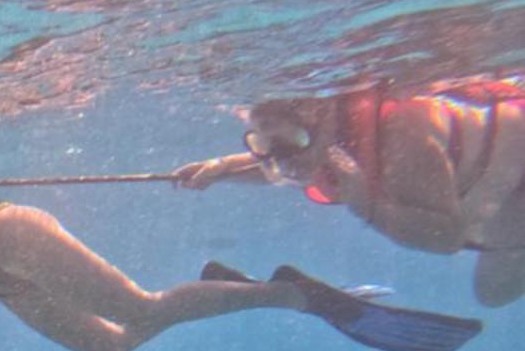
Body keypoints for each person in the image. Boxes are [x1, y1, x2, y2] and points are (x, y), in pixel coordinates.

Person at [0, 137, 480, 351]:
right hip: (4, 285)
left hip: (4, 238)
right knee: (111, 349)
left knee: (141, 307)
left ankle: (293, 293)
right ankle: (226, 289)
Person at [173, 82, 525, 306]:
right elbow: (290, 161)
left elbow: (447, 238)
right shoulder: (319, 140)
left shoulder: (403, 134)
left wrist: (367, 207)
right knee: (492, 288)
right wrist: (222, 168)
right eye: (262, 144)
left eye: (285, 143)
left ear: (319, 118)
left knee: (495, 289)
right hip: (498, 190)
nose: (280, 162)